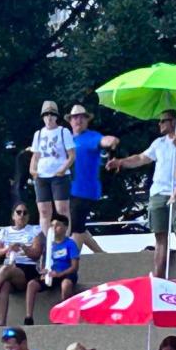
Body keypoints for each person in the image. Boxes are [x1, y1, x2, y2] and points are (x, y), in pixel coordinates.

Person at [107, 110, 176, 278]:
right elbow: (141, 158)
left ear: (174, 122)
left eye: (163, 121)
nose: (159, 124)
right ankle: (158, 278)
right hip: (158, 193)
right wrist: (121, 162)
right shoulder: (159, 143)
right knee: (160, 237)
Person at [65, 105, 119, 253]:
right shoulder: (67, 139)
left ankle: (72, 260)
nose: (78, 120)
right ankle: (101, 255)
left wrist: (111, 140)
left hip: (84, 190)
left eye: (82, 117)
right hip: (67, 189)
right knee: (76, 224)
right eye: (75, 117)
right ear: (70, 120)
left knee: (76, 227)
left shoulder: (91, 136)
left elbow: (104, 140)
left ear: (87, 120)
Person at [30, 102, 75, 249]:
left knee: (62, 209)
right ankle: (48, 243)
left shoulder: (63, 132)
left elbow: (71, 155)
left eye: (52, 114)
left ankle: (65, 240)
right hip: (42, 175)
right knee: (44, 210)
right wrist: (32, 169)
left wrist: (63, 169)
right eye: (46, 115)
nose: (49, 117)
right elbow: (35, 155)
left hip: (59, 175)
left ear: (56, 116)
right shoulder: (38, 134)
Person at [25, 214, 80, 325]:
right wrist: (43, 271)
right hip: (51, 274)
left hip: (66, 273)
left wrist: (59, 274)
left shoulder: (70, 244)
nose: (54, 228)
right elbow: (44, 262)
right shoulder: (49, 244)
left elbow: (75, 267)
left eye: (57, 225)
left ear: (65, 227)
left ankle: (64, 315)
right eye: (52, 225)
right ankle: (28, 317)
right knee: (31, 284)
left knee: (66, 284)